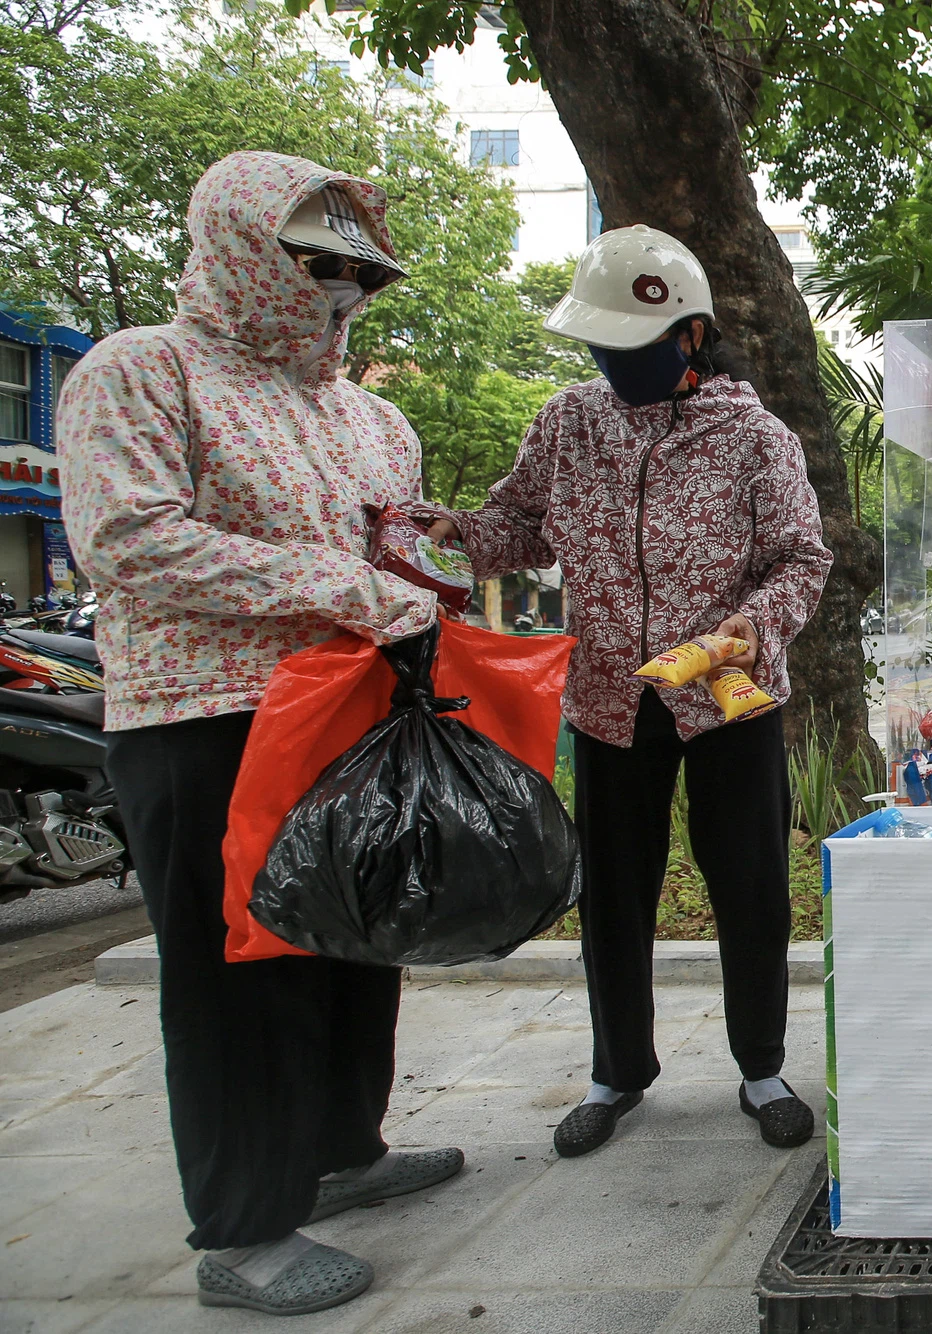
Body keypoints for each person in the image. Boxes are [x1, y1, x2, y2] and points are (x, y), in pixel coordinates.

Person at [56, 152, 466, 1316]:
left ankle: (343, 1149)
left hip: (352, 714)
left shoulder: (371, 415)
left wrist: (430, 575)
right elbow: (127, 537)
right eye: (316, 262)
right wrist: (336, 583)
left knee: (355, 938)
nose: (340, 288)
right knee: (240, 967)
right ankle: (245, 1227)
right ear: (242, 244)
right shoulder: (144, 370)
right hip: (208, 718)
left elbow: (397, 549)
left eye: (358, 270)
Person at [420, 225, 831, 1158]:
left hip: (726, 693)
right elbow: (517, 524)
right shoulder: (568, 424)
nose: (614, 363)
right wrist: (448, 532)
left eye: (633, 347)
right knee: (612, 891)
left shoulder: (754, 436)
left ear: (689, 337)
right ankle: (617, 1072)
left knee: (752, 885)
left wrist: (750, 628)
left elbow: (801, 559)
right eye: (601, 346)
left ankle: (762, 1066)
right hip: (609, 695)